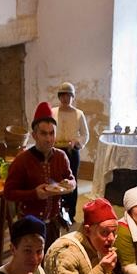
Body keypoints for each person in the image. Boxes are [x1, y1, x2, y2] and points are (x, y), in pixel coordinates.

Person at [4, 102, 76, 249]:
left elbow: (71, 178)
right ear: (34, 135)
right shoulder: (22, 160)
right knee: (32, 260)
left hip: (54, 222)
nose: (49, 139)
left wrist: (71, 184)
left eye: (52, 133)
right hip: (29, 226)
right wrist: (34, 194)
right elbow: (8, 193)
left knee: (51, 257)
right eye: (43, 133)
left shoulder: (61, 157)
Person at [51, 82, 89, 223]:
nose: (65, 98)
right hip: (55, 151)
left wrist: (76, 141)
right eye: (62, 95)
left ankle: (70, 213)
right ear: (59, 97)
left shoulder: (79, 114)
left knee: (71, 181)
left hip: (71, 151)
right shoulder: (52, 112)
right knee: (55, 180)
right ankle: (56, 211)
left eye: (68, 95)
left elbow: (85, 134)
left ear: (72, 97)